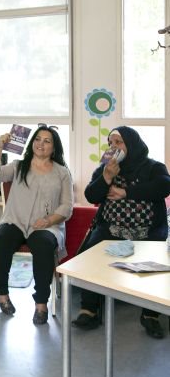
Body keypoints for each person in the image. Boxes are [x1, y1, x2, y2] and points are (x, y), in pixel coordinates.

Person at [72, 126, 170, 338]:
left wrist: (127, 192)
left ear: (131, 144)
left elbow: (164, 187)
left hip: (148, 232)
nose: (114, 147)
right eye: (111, 143)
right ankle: (89, 309)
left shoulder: (153, 167)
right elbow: (91, 196)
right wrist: (106, 177)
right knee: (89, 259)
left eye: (119, 142)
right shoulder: (105, 168)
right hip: (111, 230)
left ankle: (151, 315)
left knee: (154, 269)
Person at [0, 125, 73, 325]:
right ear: (31, 142)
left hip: (46, 226)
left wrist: (49, 220)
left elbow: (67, 207)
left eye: (47, 141)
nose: (41, 144)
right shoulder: (18, 166)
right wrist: (0, 146)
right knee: (1, 241)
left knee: (43, 245)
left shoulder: (62, 172)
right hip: (15, 220)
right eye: (37, 139)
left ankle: (41, 303)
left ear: (54, 147)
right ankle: (2, 294)